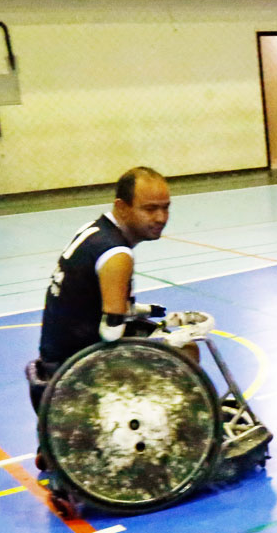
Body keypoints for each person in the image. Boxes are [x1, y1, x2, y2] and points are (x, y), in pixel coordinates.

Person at [31, 166, 172, 411]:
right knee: (183, 350)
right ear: (122, 207)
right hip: (74, 371)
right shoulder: (116, 254)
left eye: (165, 207)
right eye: (150, 209)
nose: (161, 218)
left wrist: (142, 310)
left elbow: (87, 301)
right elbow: (111, 334)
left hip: (54, 358)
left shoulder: (94, 230)